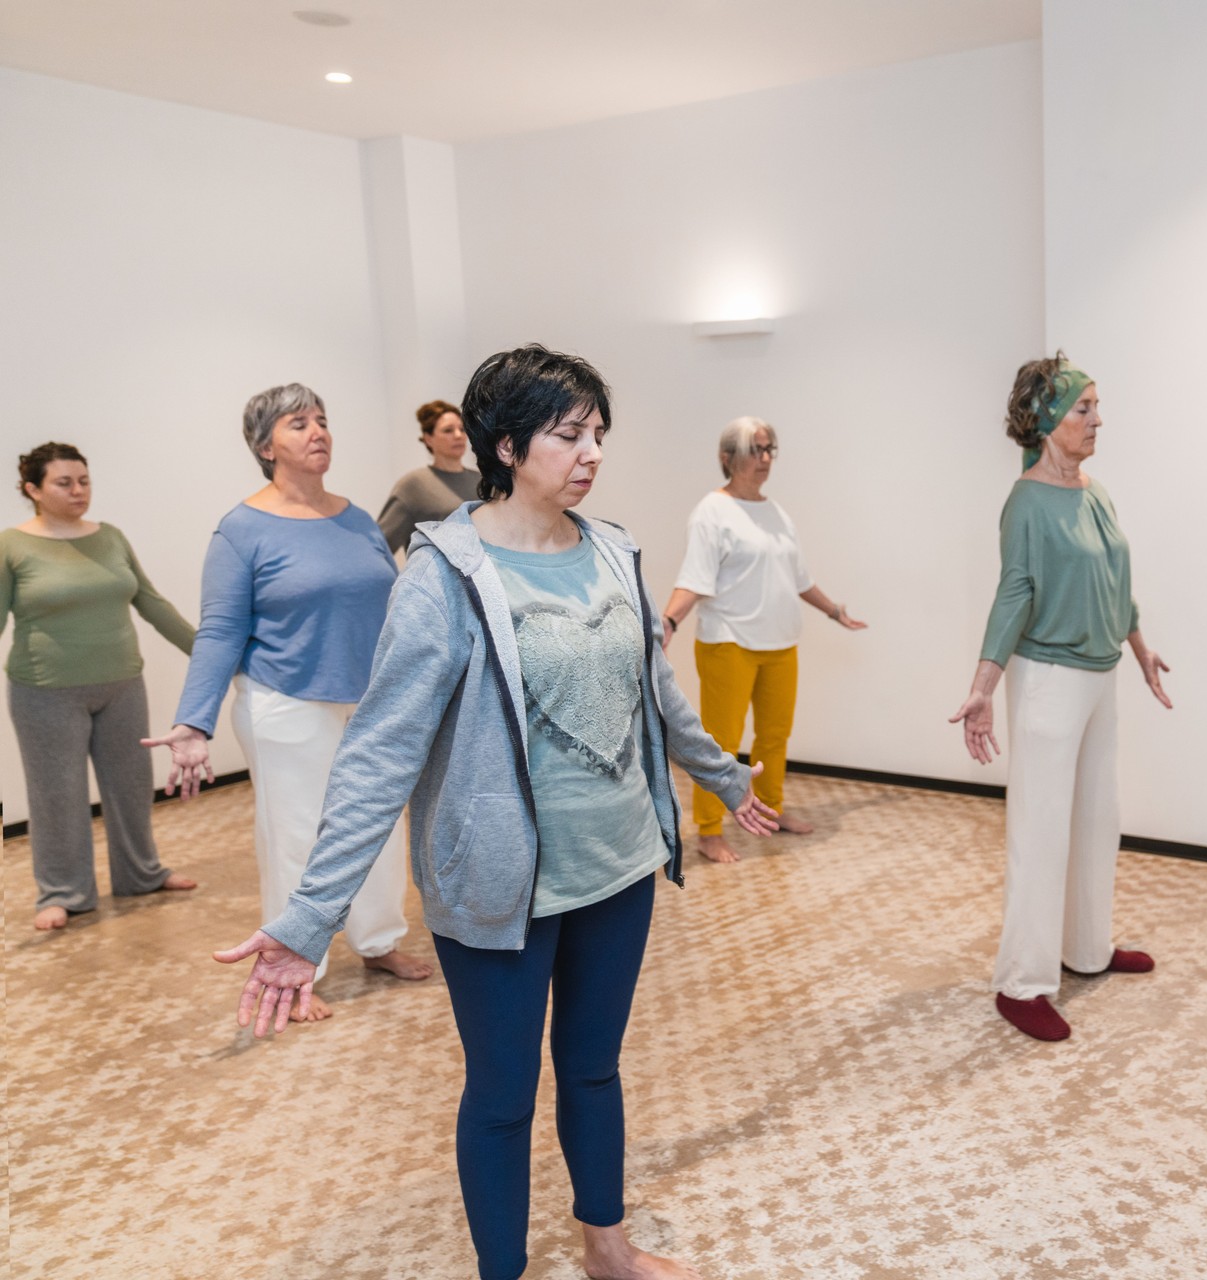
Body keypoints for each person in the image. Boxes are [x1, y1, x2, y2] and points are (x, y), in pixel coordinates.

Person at [212, 346, 778, 1280]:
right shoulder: (444, 577)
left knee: (594, 1070)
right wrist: (309, 921)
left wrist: (721, 774)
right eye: (568, 435)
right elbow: (379, 754)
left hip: (619, 864)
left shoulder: (614, 548)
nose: (592, 452)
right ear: (507, 445)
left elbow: (653, 687)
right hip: (499, 885)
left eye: (598, 433)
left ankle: (607, 1247)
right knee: (505, 1095)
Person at [144, 384, 433, 1018]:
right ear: (264, 445)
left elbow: (386, 607)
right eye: (298, 423)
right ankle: (300, 967)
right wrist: (192, 721)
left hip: (369, 699)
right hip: (284, 699)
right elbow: (220, 629)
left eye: (323, 420)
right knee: (298, 835)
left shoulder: (357, 519)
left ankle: (378, 939)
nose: (318, 432)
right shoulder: (240, 530)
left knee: (378, 827)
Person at [950, 354, 1172, 1042]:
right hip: (1047, 677)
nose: (1097, 419)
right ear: (1047, 421)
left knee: (1098, 818)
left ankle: (1088, 949)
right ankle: (1022, 983)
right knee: (1041, 831)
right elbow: (1015, 591)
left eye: (1096, 407)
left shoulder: (1095, 492)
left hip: (1100, 672)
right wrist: (984, 685)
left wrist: (1139, 649)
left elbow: (1115, 576)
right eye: (1083, 409)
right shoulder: (1026, 503)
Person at [0, 443, 197, 930]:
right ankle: (62, 893)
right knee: (57, 794)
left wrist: (213, 655)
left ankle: (142, 873)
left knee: (131, 788)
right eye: (63, 483)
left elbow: (151, 602)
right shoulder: (13, 545)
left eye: (84, 480)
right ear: (33, 490)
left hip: (123, 685)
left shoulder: (110, 537)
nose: (78, 491)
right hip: (45, 690)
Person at [660, 416, 867, 864]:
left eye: (770, 449)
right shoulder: (711, 512)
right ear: (727, 458)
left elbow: (798, 578)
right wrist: (669, 624)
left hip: (780, 644)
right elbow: (694, 580)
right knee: (721, 742)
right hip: (728, 644)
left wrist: (834, 611)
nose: (766, 458)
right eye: (756, 449)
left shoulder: (777, 513)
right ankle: (709, 829)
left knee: (775, 736)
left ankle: (770, 811)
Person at [378, 399, 482, 554]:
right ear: (428, 438)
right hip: (437, 576)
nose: (458, 435)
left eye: (462, 429)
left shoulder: (482, 480)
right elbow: (381, 546)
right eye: (448, 430)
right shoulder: (414, 485)